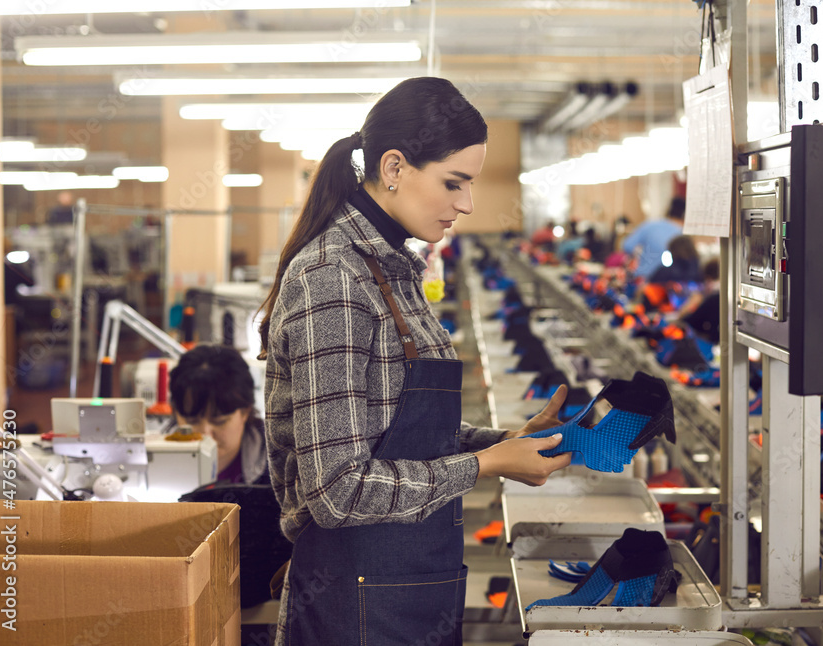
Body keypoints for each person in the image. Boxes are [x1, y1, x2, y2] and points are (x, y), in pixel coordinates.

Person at [256, 77, 571, 645]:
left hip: (405, 591)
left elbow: (392, 425)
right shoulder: (334, 280)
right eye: (454, 183)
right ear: (395, 167)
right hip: (353, 605)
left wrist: (500, 440)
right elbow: (338, 490)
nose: (467, 204)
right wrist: (489, 465)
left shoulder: (389, 267)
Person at [168, 344, 268, 485]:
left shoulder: (276, 467)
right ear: (175, 411)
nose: (205, 434)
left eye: (219, 421)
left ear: (245, 412)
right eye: (192, 421)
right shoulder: (151, 460)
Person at [623, 196, 685, 280]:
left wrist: (641, 255)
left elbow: (627, 245)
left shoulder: (650, 225)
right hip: (667, 282)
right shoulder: (681, 234)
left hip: (643, 278)